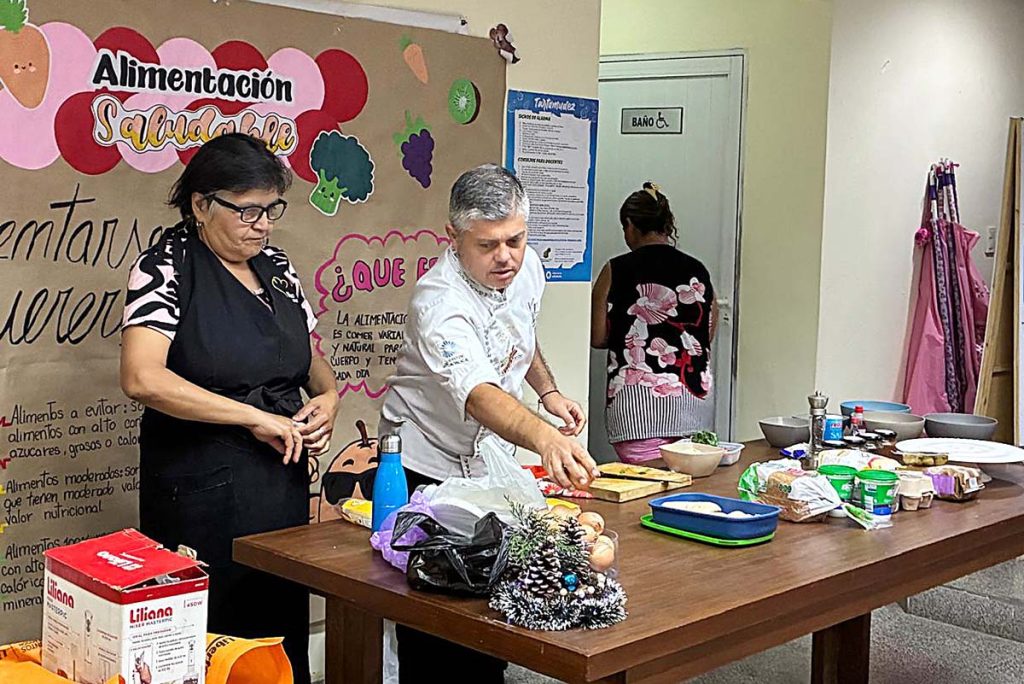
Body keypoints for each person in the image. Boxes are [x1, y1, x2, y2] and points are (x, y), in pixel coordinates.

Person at [119, 133, 337, 684]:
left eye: (271, 210)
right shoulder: (167, 266)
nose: (262, 226)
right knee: (214, 641)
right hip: (199, 488)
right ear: (200, 204)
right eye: (246, 211)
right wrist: (252, 416)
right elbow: (142, 377)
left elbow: (309, 358)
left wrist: (329, 397)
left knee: (277, 628)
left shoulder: (277, 267)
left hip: (278, 484)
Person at [381, 163, 598, 682]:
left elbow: (520, 335)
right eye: (488, 245)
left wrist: (548, 391)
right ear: (453, 237)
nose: (506, 257)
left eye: (515, 240)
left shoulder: (528, 267)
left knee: (492, 601)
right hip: (426, 463)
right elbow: (479, 396)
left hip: (486, 459)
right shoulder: (439, 302)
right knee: (438, 615)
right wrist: (544, 437)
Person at [591, 182, 718, 464]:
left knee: (646, 483)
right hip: (693, 403)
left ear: (630, 225)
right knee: (691, 484)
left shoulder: (615, 270)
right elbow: (707, 331)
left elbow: (597, 336)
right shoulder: (698, 270)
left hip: (636, 408)